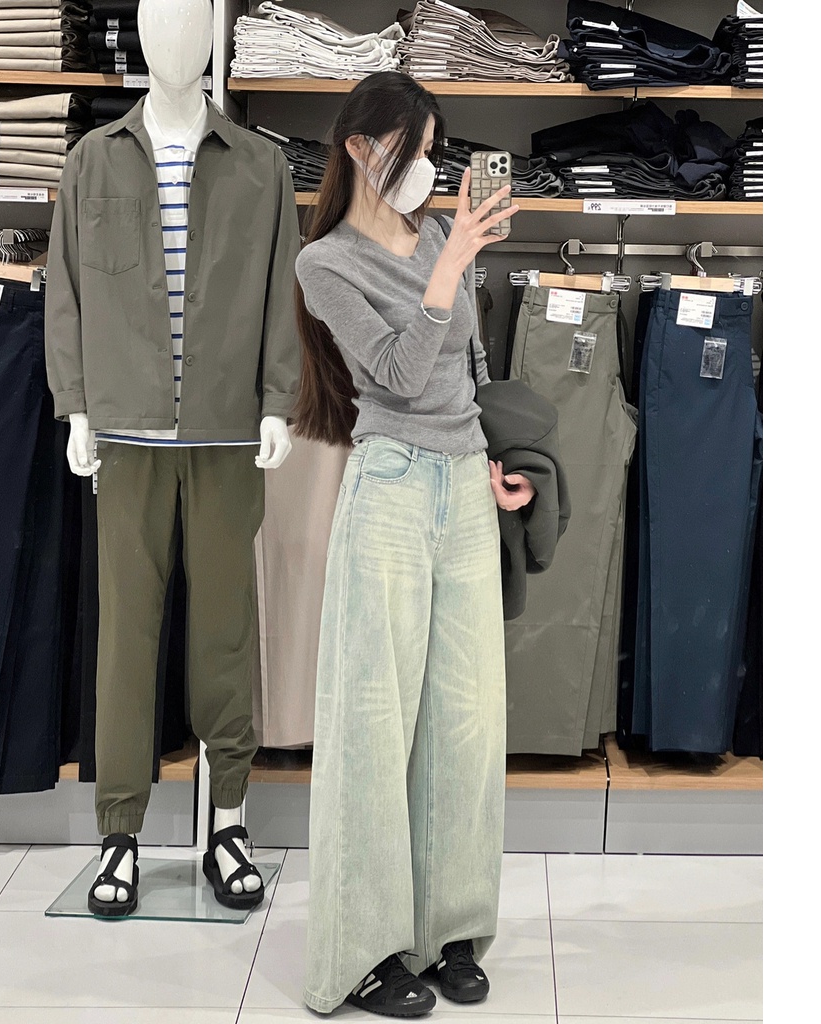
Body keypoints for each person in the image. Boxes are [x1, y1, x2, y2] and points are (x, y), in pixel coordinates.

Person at [43, 0, 300, 917]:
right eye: (162, 18)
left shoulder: (262, 166)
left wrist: (278, 401)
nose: (178, 37)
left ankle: (228, 819)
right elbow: (65, 291)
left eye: (193, 20)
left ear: (215, 39)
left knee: (225, 633)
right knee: (126, 634)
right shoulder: (93, 159)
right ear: (144, 36)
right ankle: (119, 830)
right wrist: (75, 405)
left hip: (227, 435)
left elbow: (281, 294)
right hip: (128, 434)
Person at [292, 71, 530, 1017]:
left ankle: (450, 930)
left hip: (462, 483)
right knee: (373, 723)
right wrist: (451, 263)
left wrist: (493, 460)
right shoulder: (325, 265)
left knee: (467, 720)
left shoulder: (438, 235)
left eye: (434, 147)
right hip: (388, 486)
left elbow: (464, 365)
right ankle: (364, 949)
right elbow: (394, 373)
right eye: (414, 148)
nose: (429, 166)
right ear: (360, 147)